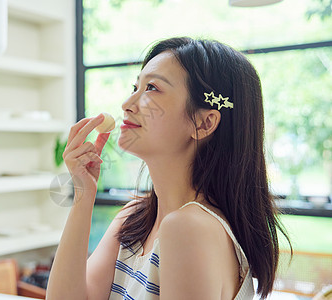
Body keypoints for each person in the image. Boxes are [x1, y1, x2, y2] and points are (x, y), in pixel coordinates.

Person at [46, 37, 291, 300]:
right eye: (135, 86)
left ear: (204, 123)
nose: (127, 104)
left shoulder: (189, 229)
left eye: (151, 88)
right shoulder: (134, 219)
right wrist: (83, 192)